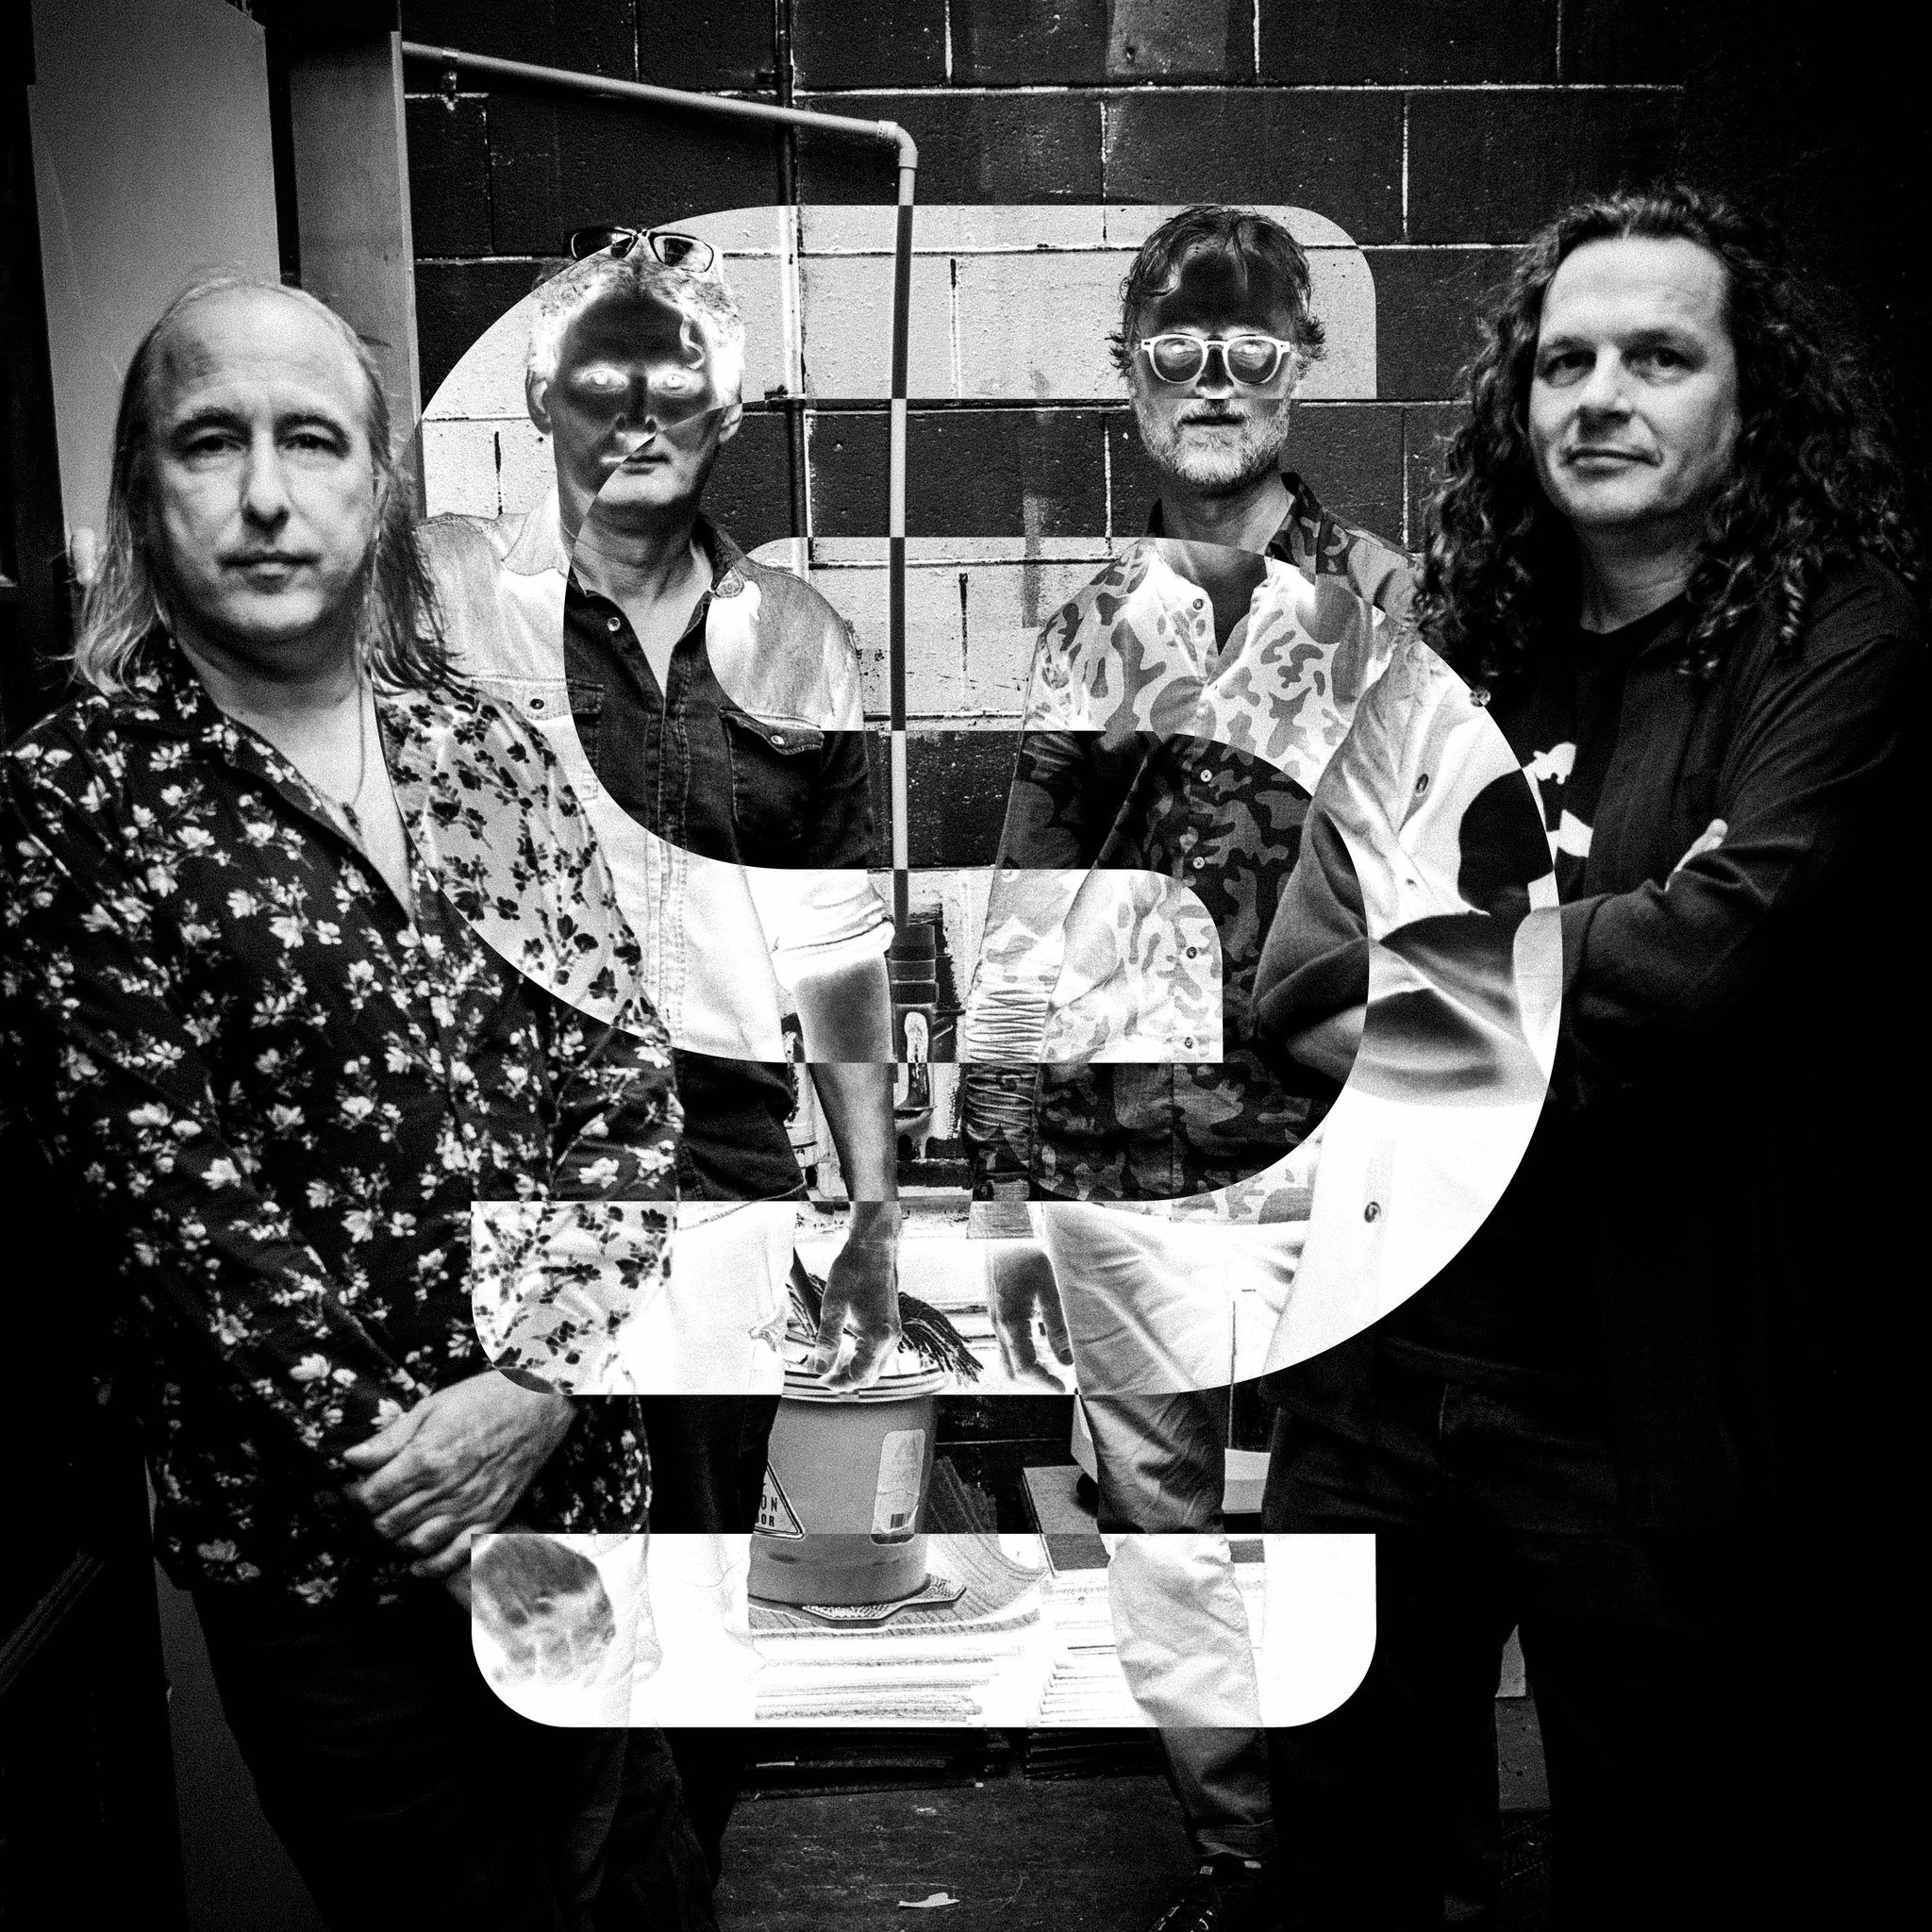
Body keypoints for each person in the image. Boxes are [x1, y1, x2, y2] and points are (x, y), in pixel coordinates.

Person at [0, 276, 714, 1929]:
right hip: (336, 1576)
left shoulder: (484, 756)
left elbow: (623, 1086)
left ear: (377, 484)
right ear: (143, 491)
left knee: (647, 1889)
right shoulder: (75, 807)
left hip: (581, 1505)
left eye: (310, 440)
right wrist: (434, 1488)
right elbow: (184, 1217)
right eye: (211, 442)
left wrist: (536, 1382)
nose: (265, 492)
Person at [1256, 183, 1924, 1928]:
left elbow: (1711, 971)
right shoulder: (1456, 655)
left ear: (1753, 396)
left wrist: (1440, 968)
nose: (1600, 396)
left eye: (1658, 357)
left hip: (1643, 1400)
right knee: (1354, 1866)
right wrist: (1612, 948)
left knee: (1666, 1864)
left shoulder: (1833, 642)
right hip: (1384, 1374)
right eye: (1565, 362)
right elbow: (1297, 984)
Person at [422, 227, 901, 1877]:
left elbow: (838, 944)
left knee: (697, 1579)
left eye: (675, 385)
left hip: (720, 1177)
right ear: (542, 404)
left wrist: (874, 1208)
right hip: (511, 1184)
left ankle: (677, 1878)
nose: (638, 416)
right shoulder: (446, 611)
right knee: (538, 1588)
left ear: (726, 415)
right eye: (601, 382)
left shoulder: (799, 638)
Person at [961, 205, 1412, 1932]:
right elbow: (1030, 899)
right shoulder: (1094, 627)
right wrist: (999, 1159)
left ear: (1300, 369)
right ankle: (1241, 1857)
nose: (1212, 382)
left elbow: (1461, 877)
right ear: (1128, 378)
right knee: (1160, 1527)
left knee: (1366, 1523)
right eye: (1176, 350)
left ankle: (1375, 1859)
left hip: (1333, 1153)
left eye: (1247, 348)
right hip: (1124, 1161)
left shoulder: (1390, 606)